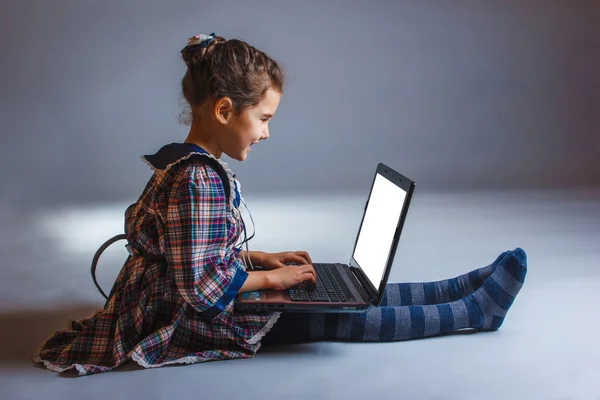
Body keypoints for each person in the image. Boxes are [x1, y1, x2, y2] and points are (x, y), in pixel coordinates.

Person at [33, 33, 527, 376]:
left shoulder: (182, 163)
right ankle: (472, 311)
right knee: (344, 316)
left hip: (186, 296)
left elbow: (196, 252)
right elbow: (201, 287)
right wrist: (273, 281)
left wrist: (261, 259)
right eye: (264, 117)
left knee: (348, 289)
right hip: (192, 317)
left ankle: (457, 287)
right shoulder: (197, 181)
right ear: (225, 110)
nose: (268, 131)